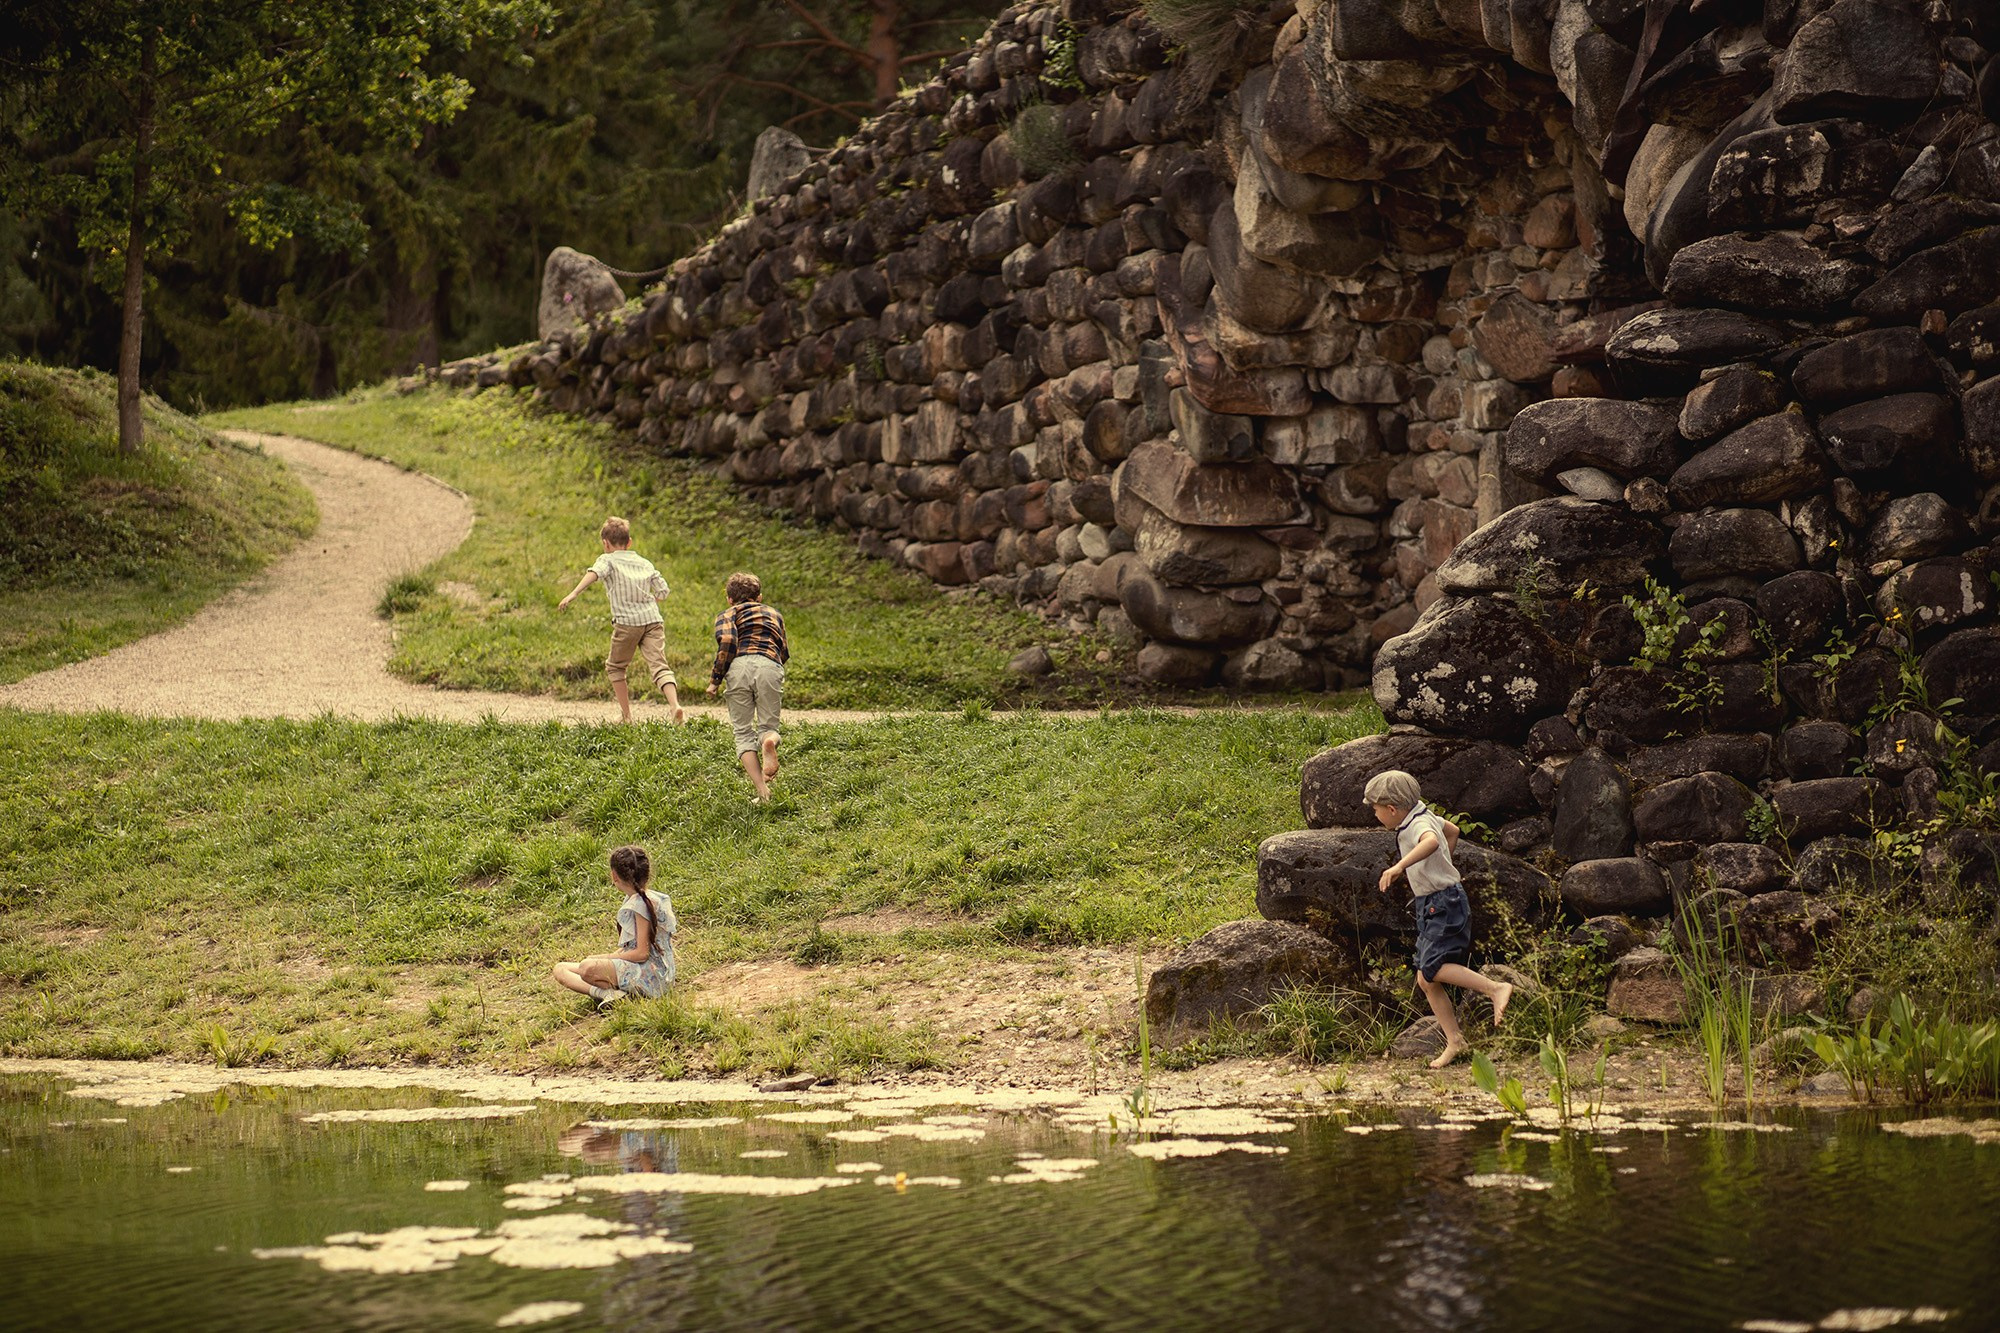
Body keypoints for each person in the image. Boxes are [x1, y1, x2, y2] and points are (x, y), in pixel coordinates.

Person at [1368, 769, 1513, 1069]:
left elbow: (1433, 841)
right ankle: (1455, 1041)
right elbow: (1453, 832)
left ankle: (1495, 988)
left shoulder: (1419, 823)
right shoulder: (1421, 813)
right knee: (1425, 977)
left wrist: (1398, 868)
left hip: (1443, 903)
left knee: (1433, 968)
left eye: (1376, 808)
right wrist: (1440, 867)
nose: (1375, 814)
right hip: (1432, 902)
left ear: (1392, 809)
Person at [557, 516, 685, 725]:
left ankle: (626, 716)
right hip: (653, 620)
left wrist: (573, 594)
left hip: (627, 623)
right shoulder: (644, 562)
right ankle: (675, 706)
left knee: (616, 667)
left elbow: (594, 573)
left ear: (605, 543)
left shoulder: (607, 560)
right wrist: (654, 599)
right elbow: (663, 590)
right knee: (660, 666)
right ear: (630, 542)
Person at [552, 845, 677, 1010]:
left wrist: (605, 958)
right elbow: (630, 948)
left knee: (587, 967)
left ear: (614, 875)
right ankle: (609, 994)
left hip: (653, 976)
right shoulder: (638, 899)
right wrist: (602, 959)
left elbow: (641, 953)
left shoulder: (641, 904)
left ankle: (610, 993)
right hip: (646, 970)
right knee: (560, 969)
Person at [706, 571, 788, 803]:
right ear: (759, 597)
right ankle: (769, 741)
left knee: (743, 733)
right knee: (768, 727)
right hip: (769, 664)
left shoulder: (728, 613)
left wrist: (715, 680)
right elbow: (783, 649)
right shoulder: (774, 613)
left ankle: (763, 793)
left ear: (729, 599)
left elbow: (728, 643)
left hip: (739, 666)